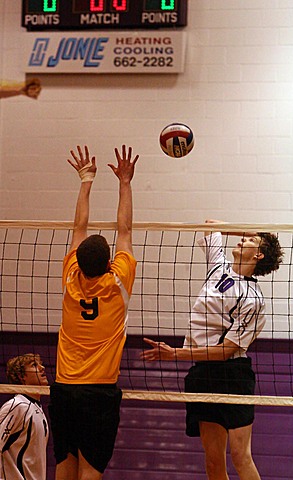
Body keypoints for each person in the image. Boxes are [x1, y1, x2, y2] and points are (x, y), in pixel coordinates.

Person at [141, 221, 284, 480]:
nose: (242, 240)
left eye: (250, 241)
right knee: (213, 461)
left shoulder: (254, 298)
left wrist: (175, 354)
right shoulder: (218, 266)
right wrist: (254, 234)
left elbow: (225, 350)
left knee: (241, 456)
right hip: (202, 373)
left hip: (232, 375)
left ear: (259, 255)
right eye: (245, 237)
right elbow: (210, 224)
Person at [49, 144, 139, 480]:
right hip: (99, 392)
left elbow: (78, 229)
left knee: (64, 467)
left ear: (80, 263)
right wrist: (125, 182)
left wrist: (86, 180)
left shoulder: (71, 279)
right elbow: (125, 231)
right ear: (108, 264)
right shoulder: (118, 284)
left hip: (63, 388)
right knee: (90, 471)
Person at [0, 353, 49, 480]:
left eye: (40, 364)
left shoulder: (36, 407)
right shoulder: (17, 406)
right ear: (21, 376)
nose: (42, 368)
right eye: (34, 365)